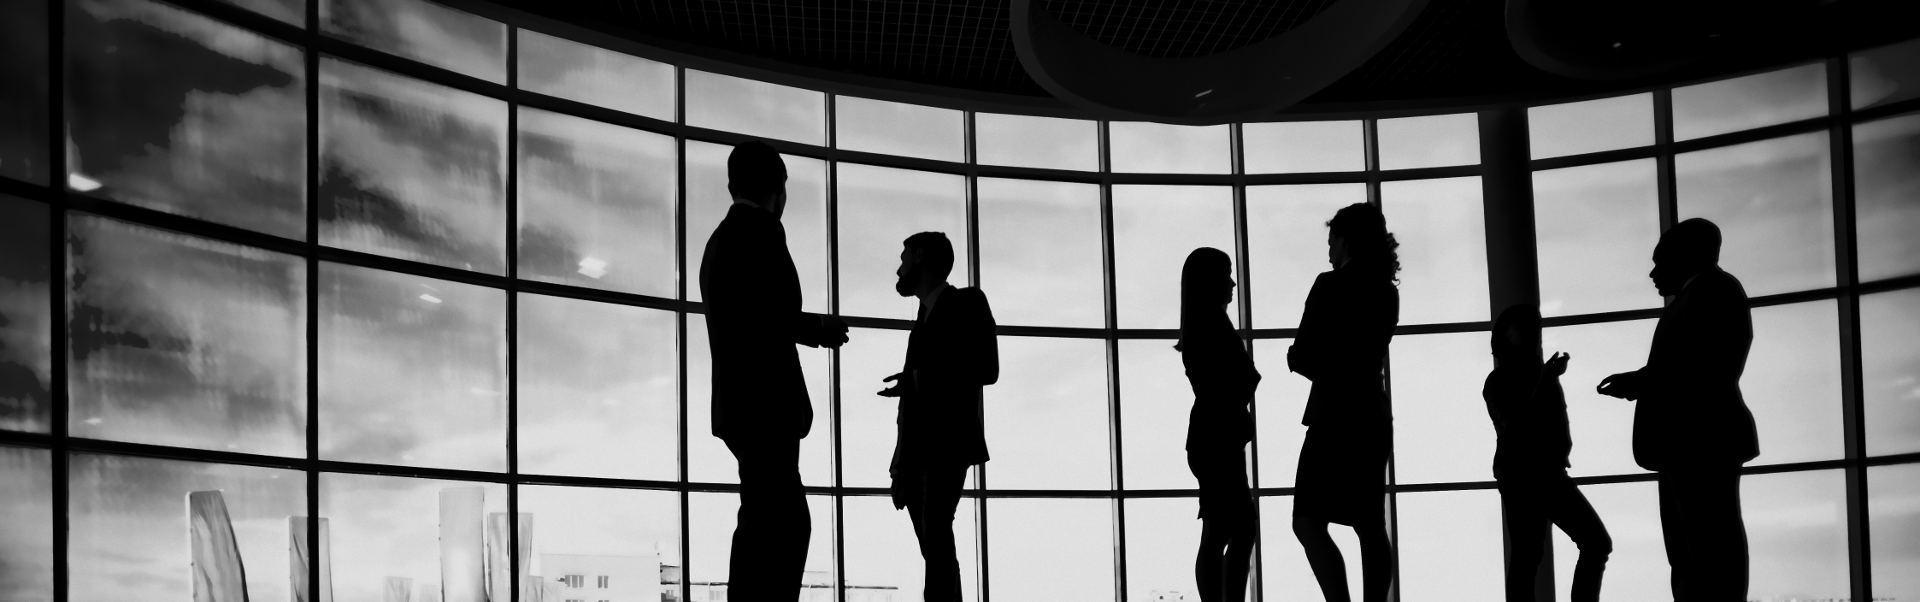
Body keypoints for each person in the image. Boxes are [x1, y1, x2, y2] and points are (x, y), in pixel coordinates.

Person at [699, 140, 849, 601]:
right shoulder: (760, 231)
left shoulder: (720, 240)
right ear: (778, 188)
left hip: (742, 406)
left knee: (764, 520)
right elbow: (770, 316)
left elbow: (749, 317)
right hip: (765, 405)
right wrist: (818, 329)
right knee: (783, 526)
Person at [1598, 218, 1757, 601]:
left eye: (1660, 261)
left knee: (1705, 548)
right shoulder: (1708, 293)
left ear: (1686, 258)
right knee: (1698, 548)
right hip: (1693, 443)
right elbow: (1690, 367)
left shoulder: (1710, 293)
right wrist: (1640, 380)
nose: (1652, 273)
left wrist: (1639, 383)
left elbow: (1696, 370)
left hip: (1698, 443)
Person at [1288, 202, 1399, 602]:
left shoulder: (1329, 285)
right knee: (1369, 522)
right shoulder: (1387, 293)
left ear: (1347, 240)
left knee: (1307, 520)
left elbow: (1302, 356)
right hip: (1370, 412)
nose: (1329, 251)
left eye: (1333, 240)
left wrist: (1299, 358)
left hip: (1333, 416)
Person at [879, 232, 998, 602]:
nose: (899, 269)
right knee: (936, 547)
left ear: (920, 256)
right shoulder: (924, 317)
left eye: (903, 259)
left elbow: (986, 367)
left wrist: (917, 380)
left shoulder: (967, 302)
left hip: (945, 446)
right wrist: (900, 462)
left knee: (937, 541)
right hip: (920, 453)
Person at [1485, 304, 1610, 602]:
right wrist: (1547, 378)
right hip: (1531, 475)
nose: (1533, 334)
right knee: (1588, 544)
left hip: (1529, 474)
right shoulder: (1503, 381)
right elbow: (1519, 424)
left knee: (1529, 558)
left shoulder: (1515, 378)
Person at [1178, 247, 1260, 602]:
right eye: (1225, 275)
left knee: (1221, 530)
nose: (1232, 282)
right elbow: (1242, 379)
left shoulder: (1205, 325)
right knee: (1236, 531)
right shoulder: (1212, 325)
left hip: (1213, 438)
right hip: (1218, 440)